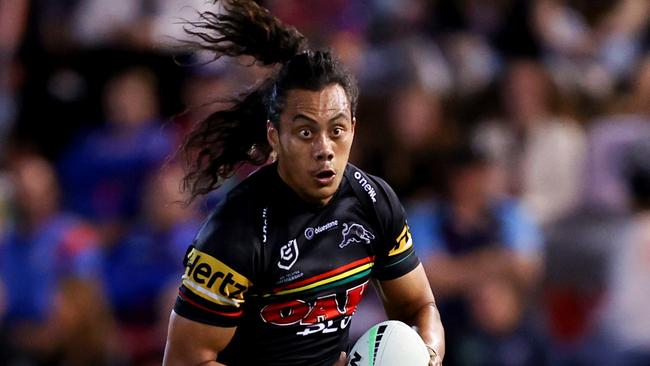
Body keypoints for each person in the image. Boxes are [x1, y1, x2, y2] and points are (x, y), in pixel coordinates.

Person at [162, 1, 445, 366]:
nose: (324, 149)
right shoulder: (234, 233)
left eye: (337, 130)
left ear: (354, 131)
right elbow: (185, 360)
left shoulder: (373, 201)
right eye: (306, 132)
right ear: (275, 137)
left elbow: (418, 305)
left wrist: (429, 354)